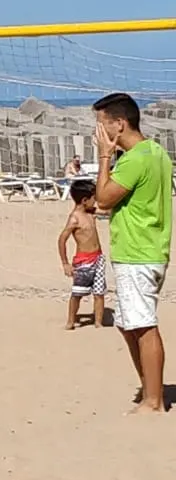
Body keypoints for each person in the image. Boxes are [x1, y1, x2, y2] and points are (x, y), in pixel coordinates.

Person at [94, 91, 173, 413]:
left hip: (138, 252)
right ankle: (150, 387)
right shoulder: (156, 152)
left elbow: (103, 199)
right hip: (147, 249)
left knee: (143, 325)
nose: (98, 131)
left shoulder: (136, 159)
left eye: (101, 124)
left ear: (119, 124)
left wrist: (104, 158)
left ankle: (154, 401)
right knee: (128, 323)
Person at [58, 178, 106, 332]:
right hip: (83, 261)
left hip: (98, 258)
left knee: (99, 293)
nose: (95, 201)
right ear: (85, 200)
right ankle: (71, 321)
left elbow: (107, 211)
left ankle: (98, 322)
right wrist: (65, 263)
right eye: (94, 198)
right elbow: (62, 239)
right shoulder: (74, 218)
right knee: (78, 293)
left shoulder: (91, 212)